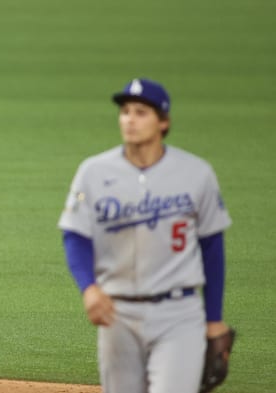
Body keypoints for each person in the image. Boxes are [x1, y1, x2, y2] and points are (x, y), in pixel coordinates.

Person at [57, 78, 231, 392]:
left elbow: (212, 247)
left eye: (141, 112)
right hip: (117, 314)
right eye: (125, 112)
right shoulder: (94, 172)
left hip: (179, 314)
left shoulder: (196, 173)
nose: (130, 120)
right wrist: (89, 289)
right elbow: (75, 236)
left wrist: (214, 318)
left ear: (163, 122)